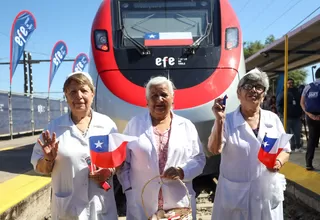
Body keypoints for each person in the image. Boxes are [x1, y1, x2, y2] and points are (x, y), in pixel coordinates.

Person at [30, 71, 118, 220]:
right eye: (72, 92)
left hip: (101, 206)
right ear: (66, 96)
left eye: (84, 90)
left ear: (92, 94)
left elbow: (118, 159)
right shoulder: (53, 129)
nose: (79, 96)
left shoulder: (107, 125)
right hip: (68, 209)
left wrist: (109, 171)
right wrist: (48, 160)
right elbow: (39, 167)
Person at [117, 76, 205, 220]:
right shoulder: (134, 124)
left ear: (172, 98)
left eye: (164, 95)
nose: (159, 100)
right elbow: (123, 163)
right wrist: (129, 189)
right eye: (154, 96)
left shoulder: (186, 126)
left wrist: (183, 171)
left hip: (178, 205)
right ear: (147, 101)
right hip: (142, 203)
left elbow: (199, 159)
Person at [208, 68, 291, 220]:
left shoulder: (273, 119)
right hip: (236, 195)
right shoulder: (227, 120)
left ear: (264, 94)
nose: (253, 90)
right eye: (248, 86)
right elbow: (214, 149)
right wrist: (219, 120)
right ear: (239, 93)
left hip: (266, 193)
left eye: (258, 86)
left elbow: (285, 149)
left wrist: (278, 161)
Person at [277, 78, 305, 153]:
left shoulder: (297, 92)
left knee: (297, 133)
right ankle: (287, 148)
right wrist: (283, 113)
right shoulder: (282, 93)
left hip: (296, 117)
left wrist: (301, 113)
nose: (291, 84)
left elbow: (301, 103)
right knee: (286, 134)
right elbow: (278, 105)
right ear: (285, 84)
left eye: (292, 82)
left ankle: (298, 147)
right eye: (289, 83)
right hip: (287, 117)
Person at [300, 68, 320, 170]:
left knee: (311, 139)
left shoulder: (308, 86)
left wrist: (309, 114)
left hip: (310, 116)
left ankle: (308, 163)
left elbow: (302, 103)